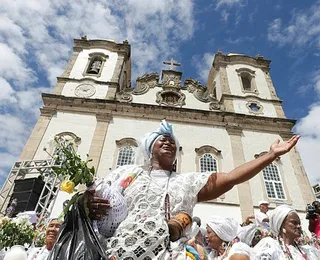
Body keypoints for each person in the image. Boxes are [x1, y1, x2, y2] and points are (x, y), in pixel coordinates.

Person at [82, 120, 299, 259]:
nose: (168, 143)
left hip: (171, 253)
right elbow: (95, 200)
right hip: (121, 251)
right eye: (161, 140)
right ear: (150, 148)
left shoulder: (187, 182)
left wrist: (271, 156)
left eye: (172, 142)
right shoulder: (127, 175)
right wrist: (88, 204)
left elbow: (232, 177)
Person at [254, 204, 320, 259]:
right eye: (294, 222)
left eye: (299, 223)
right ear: (281, 225)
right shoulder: (271, 247)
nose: (299, 226)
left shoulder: (306, 251)